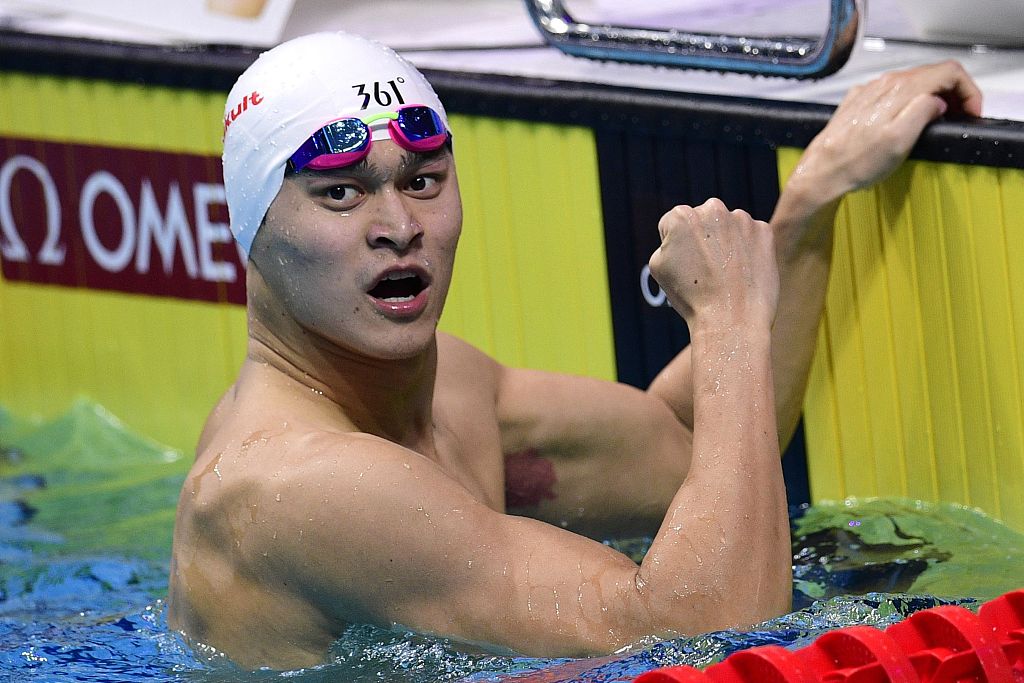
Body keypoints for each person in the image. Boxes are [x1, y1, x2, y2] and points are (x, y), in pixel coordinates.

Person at [166, 31, 983, 670]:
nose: (398, 225)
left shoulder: (447, 386)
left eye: (422, 179)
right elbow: (713, 634)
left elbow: (694, 450)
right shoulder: (297, 486)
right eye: (340, 192)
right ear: (253, 229)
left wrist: (813, 196)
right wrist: (729, 320)